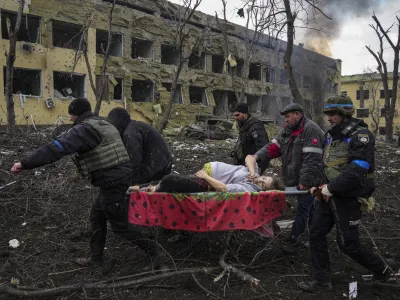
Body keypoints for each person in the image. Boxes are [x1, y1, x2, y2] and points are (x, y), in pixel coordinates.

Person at [10, 98, 162, 271]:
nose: (70, 119)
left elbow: (56, 148)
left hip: (113, 180)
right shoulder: (102, 123)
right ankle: (95, 260)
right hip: (116, 178)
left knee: (120, 225)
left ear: (77, 115)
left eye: (71, 115)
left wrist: (25, 163)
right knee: (97, 216)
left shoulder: (84, 130)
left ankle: (156, 253)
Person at [298, 95, 393, 292]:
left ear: (344, 113)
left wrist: (331, 188)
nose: (329, 118)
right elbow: (328, 165)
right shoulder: (332, 135)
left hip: (348, 198)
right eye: (328, 114)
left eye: (332, 114)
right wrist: (319, 185)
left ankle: (383, 271)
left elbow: (358, 169)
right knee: (316, 233)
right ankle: (321, 281)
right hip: (327, 196)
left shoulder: (361, 136)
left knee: (348, 244)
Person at [246, 103, 325, 253]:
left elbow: (312, 159)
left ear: (298, 114)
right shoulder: (287, 131)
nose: (286, 120)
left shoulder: (311, 130)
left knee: (303, 208)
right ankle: (315, 233)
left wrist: (305, 182)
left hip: (310, 179)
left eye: (288, 117)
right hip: (294, 178)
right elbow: (272, 148)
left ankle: (296, 239)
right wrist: (256, 156)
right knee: (311, 207)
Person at [134, 158, 284, 193]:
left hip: (206, 181)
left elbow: (224, 188)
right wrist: (252, 171)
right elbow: (250, 157)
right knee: (165, 180)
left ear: (262, 190)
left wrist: (206, 177)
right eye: (264, 178)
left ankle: (150, 190)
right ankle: (138, 187)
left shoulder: (249, 189)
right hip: (205, 173)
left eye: (263, 185)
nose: (260, 180)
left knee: (170, 180)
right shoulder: (254, 174)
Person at [107, 107, 172, 185]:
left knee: (127, 184)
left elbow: (134, 161)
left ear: (118, 123)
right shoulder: (133, 126)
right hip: (161, 162)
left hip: (158, 166)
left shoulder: (130, 133)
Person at [231, 103, 269, 174]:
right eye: (234, 115)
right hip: (244, 163)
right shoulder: (243, 124)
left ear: (245, 113)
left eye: (237, 115)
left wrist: (257, 167)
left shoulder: (255, 127)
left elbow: (263, 148)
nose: (235, 118)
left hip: (253, 164)